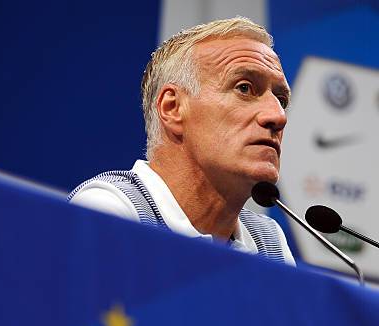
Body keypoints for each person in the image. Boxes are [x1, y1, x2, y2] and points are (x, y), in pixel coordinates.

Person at [70, 17, 295, 265]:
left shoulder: (269, 244)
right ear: (173, 107)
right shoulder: (111, 212)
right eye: (244, 88)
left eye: (281, 100)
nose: (278, 116)